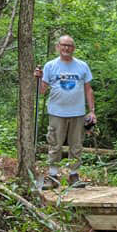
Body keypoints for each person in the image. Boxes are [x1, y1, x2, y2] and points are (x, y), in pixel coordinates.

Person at [35, 34, 95, 189]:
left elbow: (88, 90)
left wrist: (92, 111)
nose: (66, 48)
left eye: (69, 45)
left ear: (73, 48)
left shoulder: (82, 65)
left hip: (77, 112)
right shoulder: (50, 66)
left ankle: (74, 176)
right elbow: (41, 90)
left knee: (76, 146)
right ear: (58, 47)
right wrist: (37, 78)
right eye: (64, 45)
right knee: (55, 144)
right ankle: (53, 176)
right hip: (56, 112)